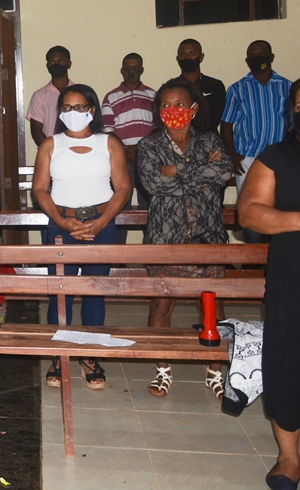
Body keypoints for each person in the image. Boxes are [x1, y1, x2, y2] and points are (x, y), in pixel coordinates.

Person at [239, 73, 300, 490]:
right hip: (297, 277)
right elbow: (249, 213)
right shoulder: (278, 156)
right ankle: (289, 457)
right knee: (293, 358)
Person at [137, 78, 232, 399]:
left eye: (179, 104)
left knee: (213, 306)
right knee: (162, 304)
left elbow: (224, 173)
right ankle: (162, 368)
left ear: (193, 108)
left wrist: (175, 170)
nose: (172, 110)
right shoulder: (149, 145)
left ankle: (215, 370)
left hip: (209, 237)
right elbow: (153, 185)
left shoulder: (210, 139)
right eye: (165, 104)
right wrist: (201, 174)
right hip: (166, 238)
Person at [31, 84, 130, 390]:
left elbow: (123, 188)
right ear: (59, 112)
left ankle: (89, 356)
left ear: (92, 110)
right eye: (67, 108)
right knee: (60, 293)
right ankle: (59, 355)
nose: (73, 113)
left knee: (94, 291)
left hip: (102, 224)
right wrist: (62, 221)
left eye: (80, 107)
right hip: (62, 225)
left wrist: (101, 222)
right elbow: (39, 189)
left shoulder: (109, 143)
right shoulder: (50, 145)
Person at [221, 40, 292, 243]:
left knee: (280, 208)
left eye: (261, 54)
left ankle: (277, 252)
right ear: (247, 60)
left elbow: (295, 122)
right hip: (248, 160)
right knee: (251, 214)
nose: (257, 58)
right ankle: (253, 254)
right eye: (253, 56)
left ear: (271, 57)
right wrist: (232, 155)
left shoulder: (288, 87)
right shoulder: (237, 89)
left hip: (281, 159)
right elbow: (226, 125)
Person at [101, 54, 155, 245]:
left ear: (142, 69)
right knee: (120, 205)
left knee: (149, 206)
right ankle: (118, 251)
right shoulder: (110, 97)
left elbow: (158, 128)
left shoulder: (154, 95)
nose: (132, 70)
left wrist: (140, 149)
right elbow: (107, 130)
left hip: (149, 158)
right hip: (121, 159)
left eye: (136, 67)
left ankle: (152, 248)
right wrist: (126, 150)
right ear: (122, 70)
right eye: (128, 67)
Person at [25, 45, 77, 147]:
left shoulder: (80, 93)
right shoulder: (39, 95)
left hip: (77, 150)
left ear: (69, 64)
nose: (56, 65)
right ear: (47, 66)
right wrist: (51, 151)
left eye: (60, 61)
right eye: (52, 62)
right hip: (50, 152)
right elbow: (36, 131)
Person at [175, 38, 226, 132]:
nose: (187, 58)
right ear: (178, 59)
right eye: (183, 54)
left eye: (192, 54)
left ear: (201, 57)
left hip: (210, 138)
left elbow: (218, 118)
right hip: (179, 138)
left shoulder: (215, 86)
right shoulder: (172, 88)